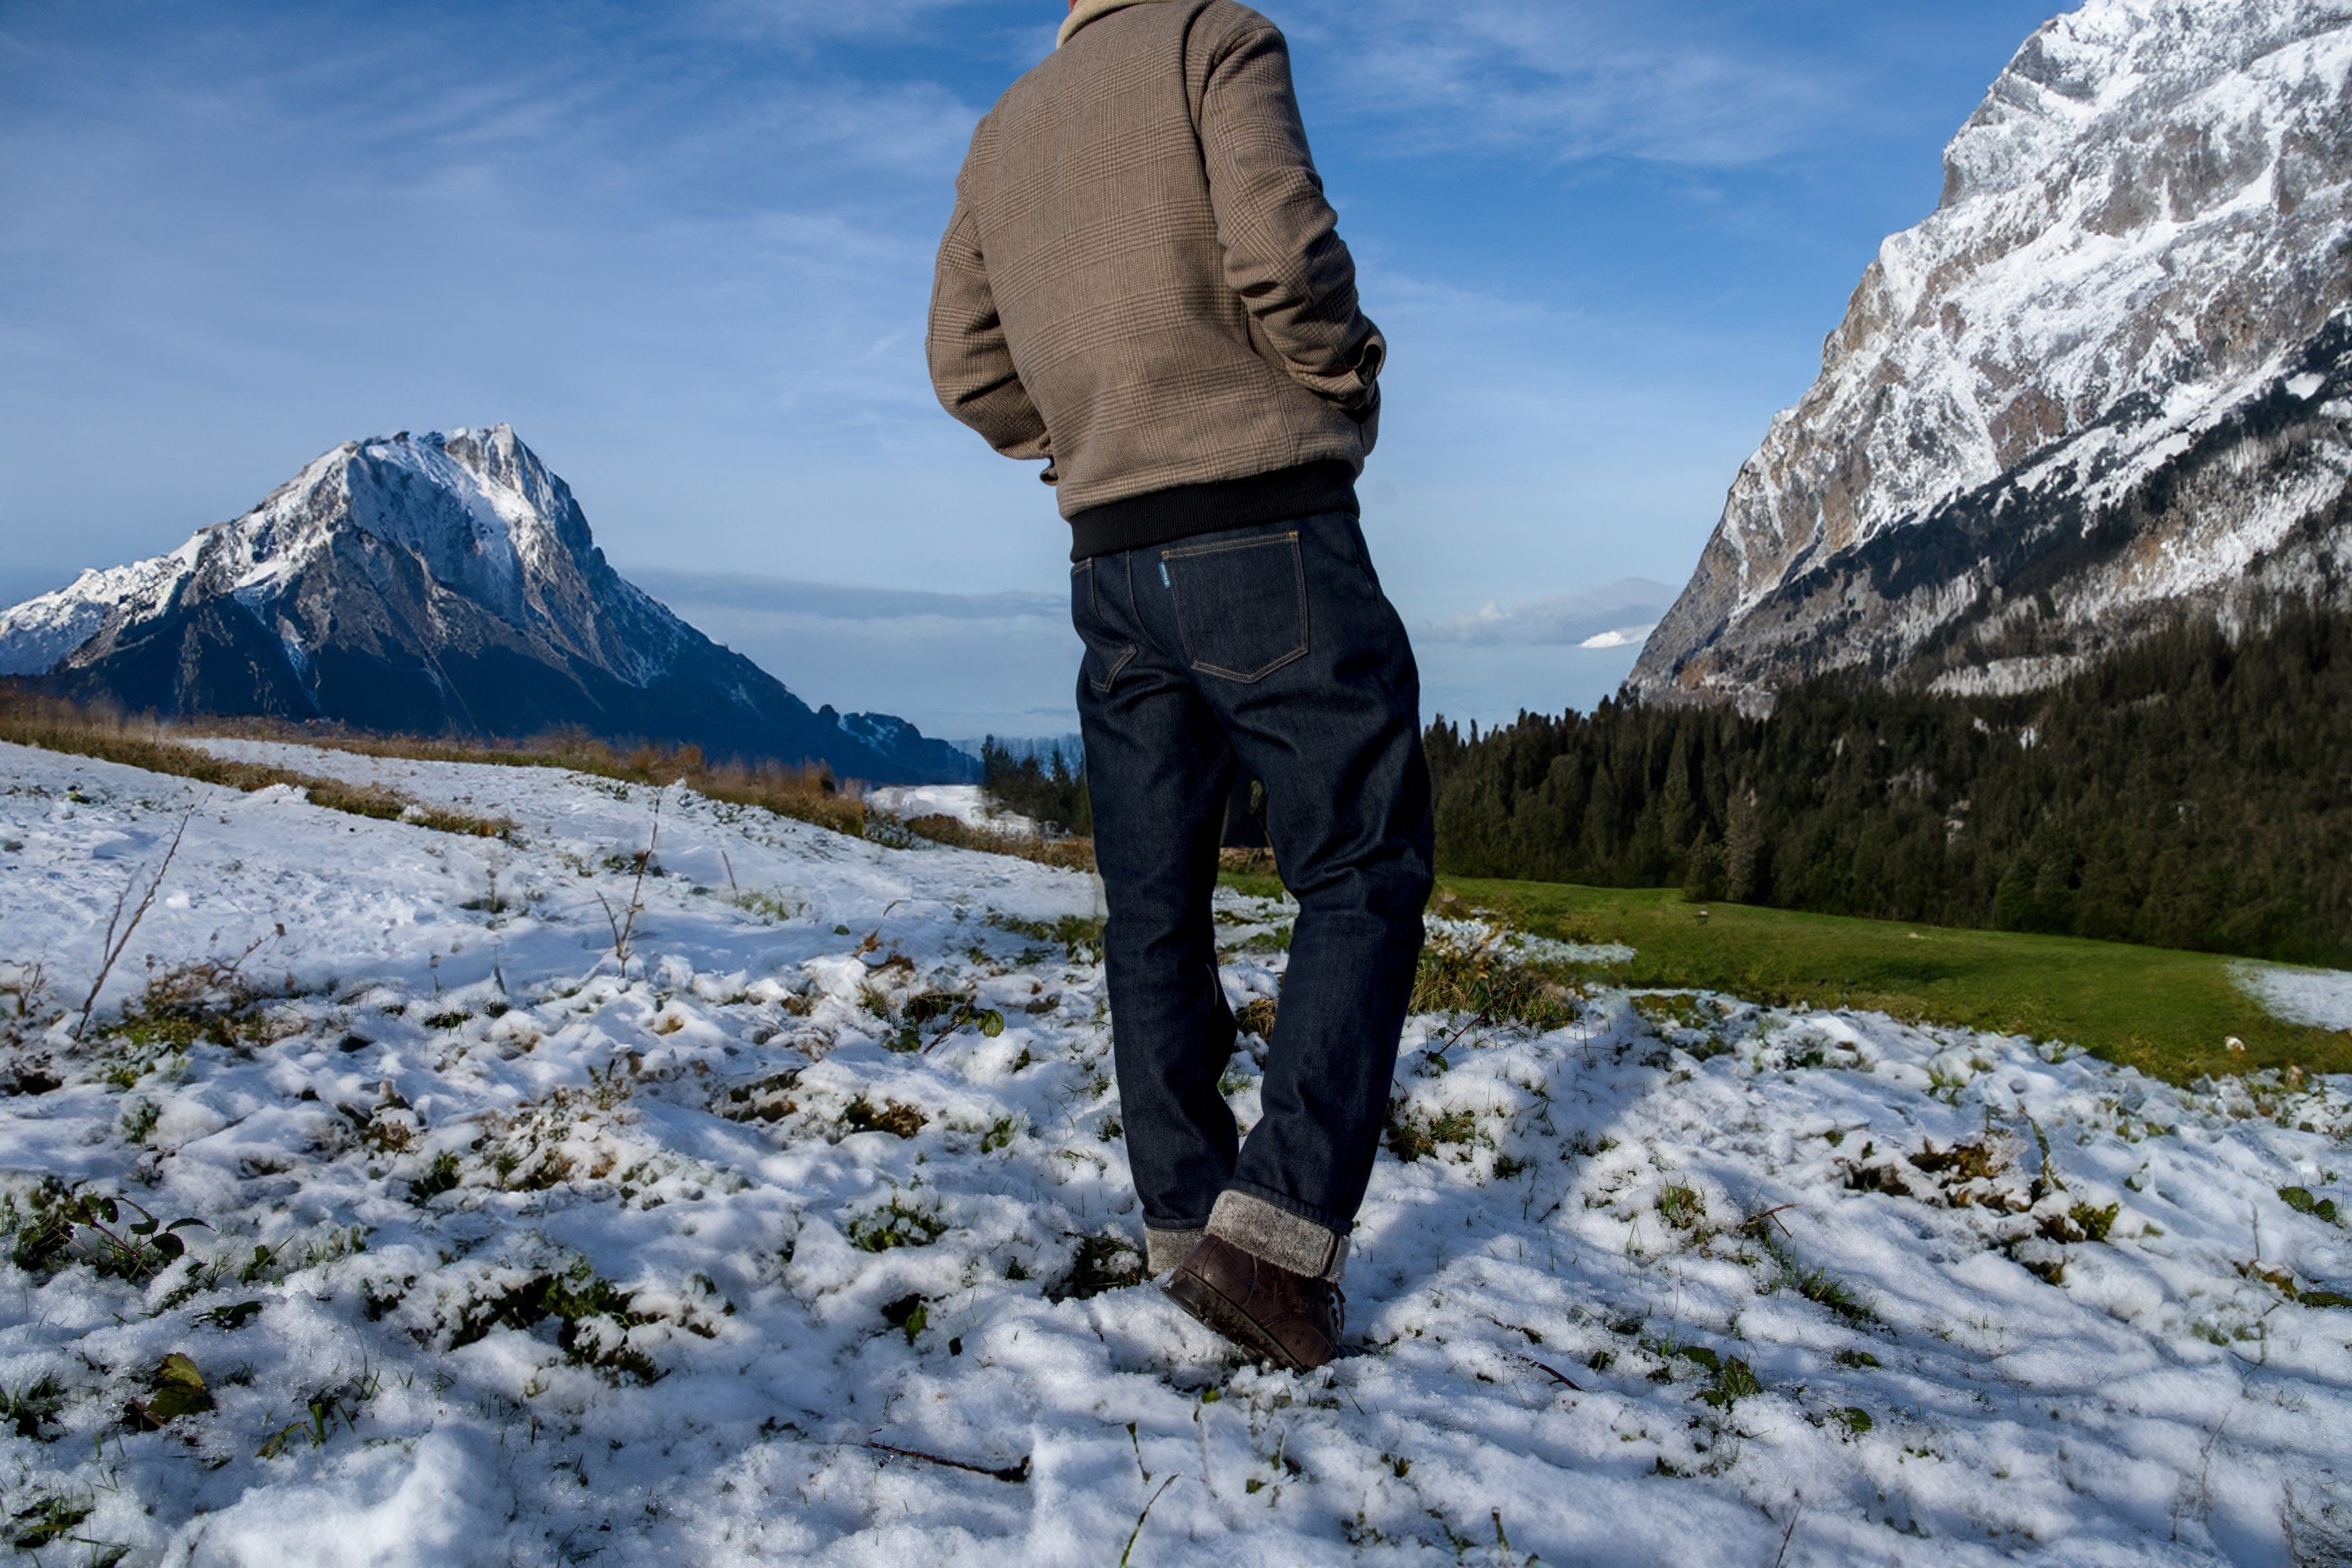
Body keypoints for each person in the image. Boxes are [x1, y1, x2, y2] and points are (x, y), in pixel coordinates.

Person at [926, 0, 1433, 1372]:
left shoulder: (1006, 128)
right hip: (1267, 526)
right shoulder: (1218, 41)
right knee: (1363, 863)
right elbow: (1285, 257)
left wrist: (1086, 433)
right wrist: (1344, 378)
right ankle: (1268, 1244)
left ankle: (1183, 1216)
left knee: (1153, 892)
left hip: (1111, 556)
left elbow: (964, 365)